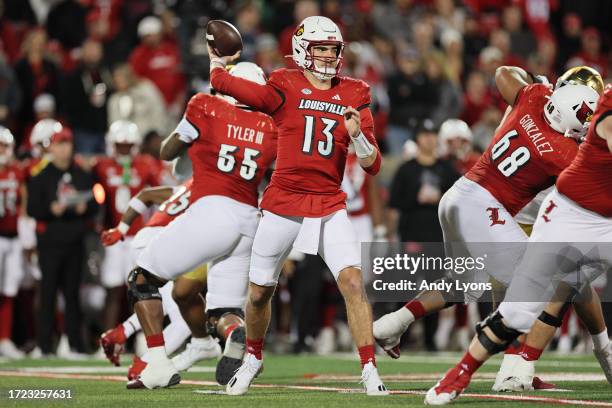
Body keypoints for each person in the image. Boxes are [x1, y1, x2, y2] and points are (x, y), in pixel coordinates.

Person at [208, 16, 387, 396]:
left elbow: (373, 166)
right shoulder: (284, 83)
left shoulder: (355, 92)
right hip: (283, 201)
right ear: (305, 51)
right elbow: (235, 89)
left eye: (332, 49)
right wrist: (217, 63)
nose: (327, 55)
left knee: (353, 283)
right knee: (259, 293)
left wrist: (358, 138)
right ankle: (254, 357)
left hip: (329, 203)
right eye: (321, 48)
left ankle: (370, 368)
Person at [373, 66, 601, 362]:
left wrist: (535, 83)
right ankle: (512, 366)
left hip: (458, 195)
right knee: (539, 283)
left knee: (464, 282)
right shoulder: (566, 152)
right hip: (489, 209)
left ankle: (394, 322)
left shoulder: (534, 96)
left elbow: (504, 73)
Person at [423, 82, 612, 405]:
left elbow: (506, 77)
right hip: (571, 213)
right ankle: (462, 373)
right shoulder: (589, 124)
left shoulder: (543, 105)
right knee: (521, 309)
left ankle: (601, 350)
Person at [125, 62, 277, 390]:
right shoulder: (272, 128)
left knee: (141, 280)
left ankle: (158, 364)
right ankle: (236, 335)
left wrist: (193, 132)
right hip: (250, 220)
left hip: (213, 210)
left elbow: (167, 152)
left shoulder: (207, 107)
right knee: (221, 311)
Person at [27, 125, 97, 357]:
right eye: (60, 144)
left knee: (72, 295)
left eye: (67, 143)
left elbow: (96, 204)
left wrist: (84, 207)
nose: (65, 149)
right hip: (50, 243)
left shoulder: (82, 175)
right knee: (47, 294)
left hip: (74, 242)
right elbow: (32, 209)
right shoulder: (41, 177)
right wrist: (50, 209)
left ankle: (75, 344)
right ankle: (44, 345)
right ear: (52, 148)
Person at [93, 120, 161, 331]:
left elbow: (162, 191)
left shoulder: (146, 164)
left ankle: (142, 339)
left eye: (128, 145)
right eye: (120, 145)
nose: (124, 149)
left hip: (138, 236)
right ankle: (108, 336)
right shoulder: (102, 165)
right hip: (114, 235)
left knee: (139, 289)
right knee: (112, 289)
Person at [0, 127, 26, 359]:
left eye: (3, 146)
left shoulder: (17, 172)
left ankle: (5, 338)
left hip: (13, 237)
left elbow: (24, 204)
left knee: (9, 289)